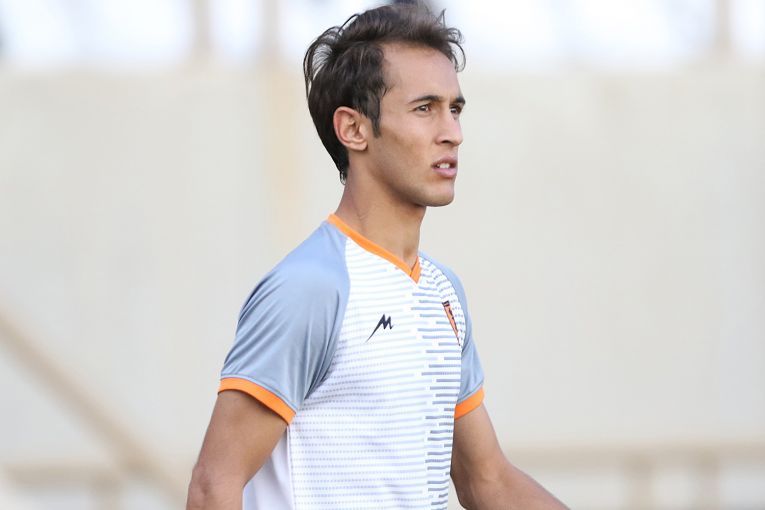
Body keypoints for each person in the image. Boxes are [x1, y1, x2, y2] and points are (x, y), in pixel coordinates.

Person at [187, 4, 568, 509]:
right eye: (424, 108)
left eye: (455, 109)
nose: (452, 132)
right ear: (354, 129)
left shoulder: (442, 292)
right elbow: (213, 486)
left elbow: (487, 480)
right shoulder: (311, 287)